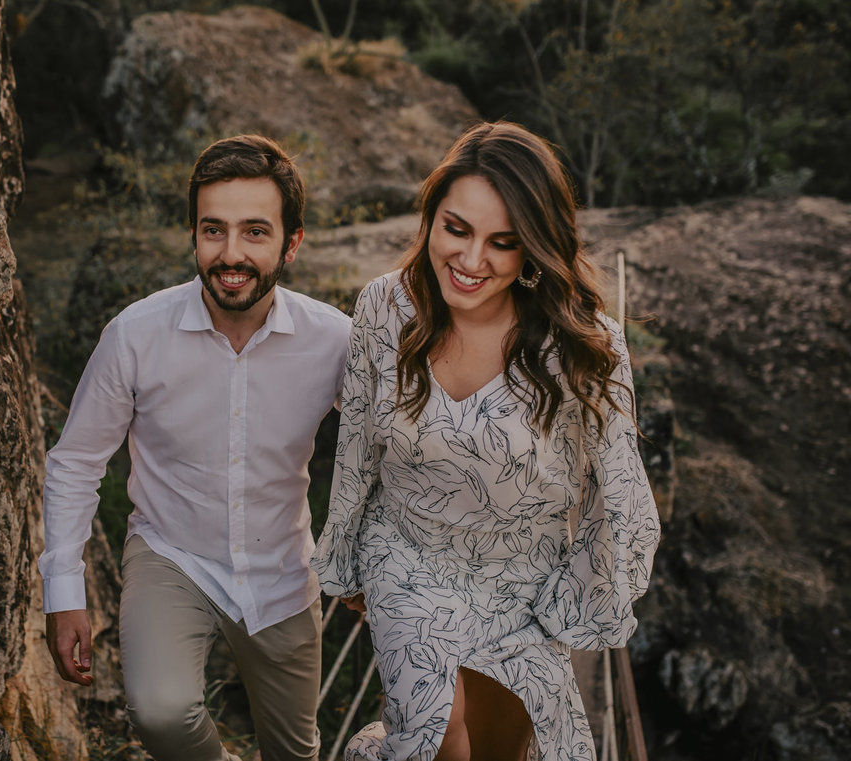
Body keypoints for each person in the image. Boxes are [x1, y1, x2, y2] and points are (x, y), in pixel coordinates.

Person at [310, 121, 661, 761]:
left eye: (503, 242)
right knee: (439, 738)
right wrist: (348, 562)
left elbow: (623, 494)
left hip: (523, 587)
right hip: (407, 560)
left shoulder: (587, 347)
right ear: (431, 218)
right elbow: (357, 444)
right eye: (457, 229)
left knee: (501, 752)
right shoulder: (384, 309)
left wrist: (575, 595)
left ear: (534, 248)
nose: (472, 262)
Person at [39, 134, 351, 761]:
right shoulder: (134, 335)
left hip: (286, 572)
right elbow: (75, 461)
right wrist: (64, 590)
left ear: (291, 243)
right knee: (160, 713)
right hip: (170, 554)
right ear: (193, 235)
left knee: (296, 752)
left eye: (255, 232)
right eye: (214, 230)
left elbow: (386, 454)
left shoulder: (336, 340)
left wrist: (366, 562)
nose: (230, 254)